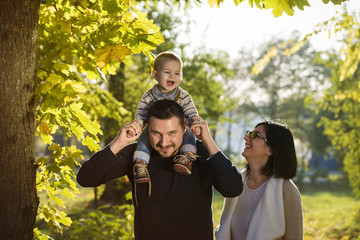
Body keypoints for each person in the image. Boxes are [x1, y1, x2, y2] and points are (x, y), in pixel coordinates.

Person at [77, 99, 243, 240]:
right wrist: (120, 142)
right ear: (147, 129)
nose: (164, 142)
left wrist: (208, 140)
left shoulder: (201, 152)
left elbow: (233, 188)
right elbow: (86, 178)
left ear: (184, 127)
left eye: (171, 133)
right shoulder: (136, 155)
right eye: (156, 133)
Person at [215, 120, 303, 240]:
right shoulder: (236, 183)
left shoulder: (286, 190)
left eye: (255, 135)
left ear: (270, 150)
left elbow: (294, 236)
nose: (246, 138)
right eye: (249, 133)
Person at [131, 51, 199, 186]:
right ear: (155, 75)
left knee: (189, 135)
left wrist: (195, 122)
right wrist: (137, 124)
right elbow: (141, 113)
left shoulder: (183, 96)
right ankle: (140, 164)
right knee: (144, 139)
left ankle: (187, 157)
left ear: (181, 76)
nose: (172, 76)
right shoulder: (149, 96)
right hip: (154, 128)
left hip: (179, 129)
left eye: (177, 73)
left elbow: (191, 112)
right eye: (167, 72)